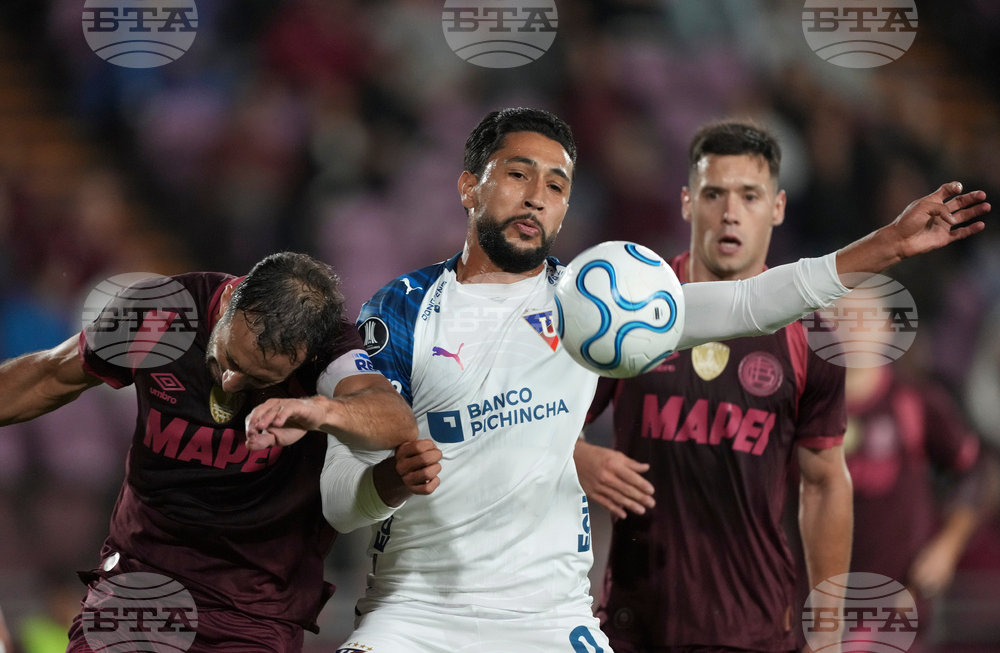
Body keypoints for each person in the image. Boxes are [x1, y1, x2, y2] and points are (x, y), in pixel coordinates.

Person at [251, 107, 987, 653]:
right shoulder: (404, 310)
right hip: (415, 615)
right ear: (469, 186)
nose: (538, 196)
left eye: (557, 184)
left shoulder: (593, 305)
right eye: (518, 174)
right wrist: (389, 484)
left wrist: (888, 243)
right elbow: (341, 506)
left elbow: (748, 299)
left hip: (550, 621)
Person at [0, 251, 418, 653]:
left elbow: (396, 422)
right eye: (229, 358)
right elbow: (51, 376)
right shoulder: (162, 313)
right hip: (138, 581)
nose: (233, 381)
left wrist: (318, 410)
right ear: (231, 302)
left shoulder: (332, 352)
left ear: (304, 357)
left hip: (253, 609)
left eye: (258, 378)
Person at [575, 121, 850, 653]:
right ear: (686, 202)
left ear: (778, 207)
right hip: (637, 624)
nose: (730, 212)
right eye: (713, 193)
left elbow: (825, 483)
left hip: (755, 629)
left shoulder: (813, 340)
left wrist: (829, 632)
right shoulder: (628, 311)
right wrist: (578, 457)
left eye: (750, 196)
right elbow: (546, 423)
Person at [841, 361, 997, 651]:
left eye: (863, 319)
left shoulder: (912, 400)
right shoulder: (800, 404)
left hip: (895, 595)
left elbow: (974, 470)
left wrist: (948, 545)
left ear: (885, 329)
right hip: (808, 594)